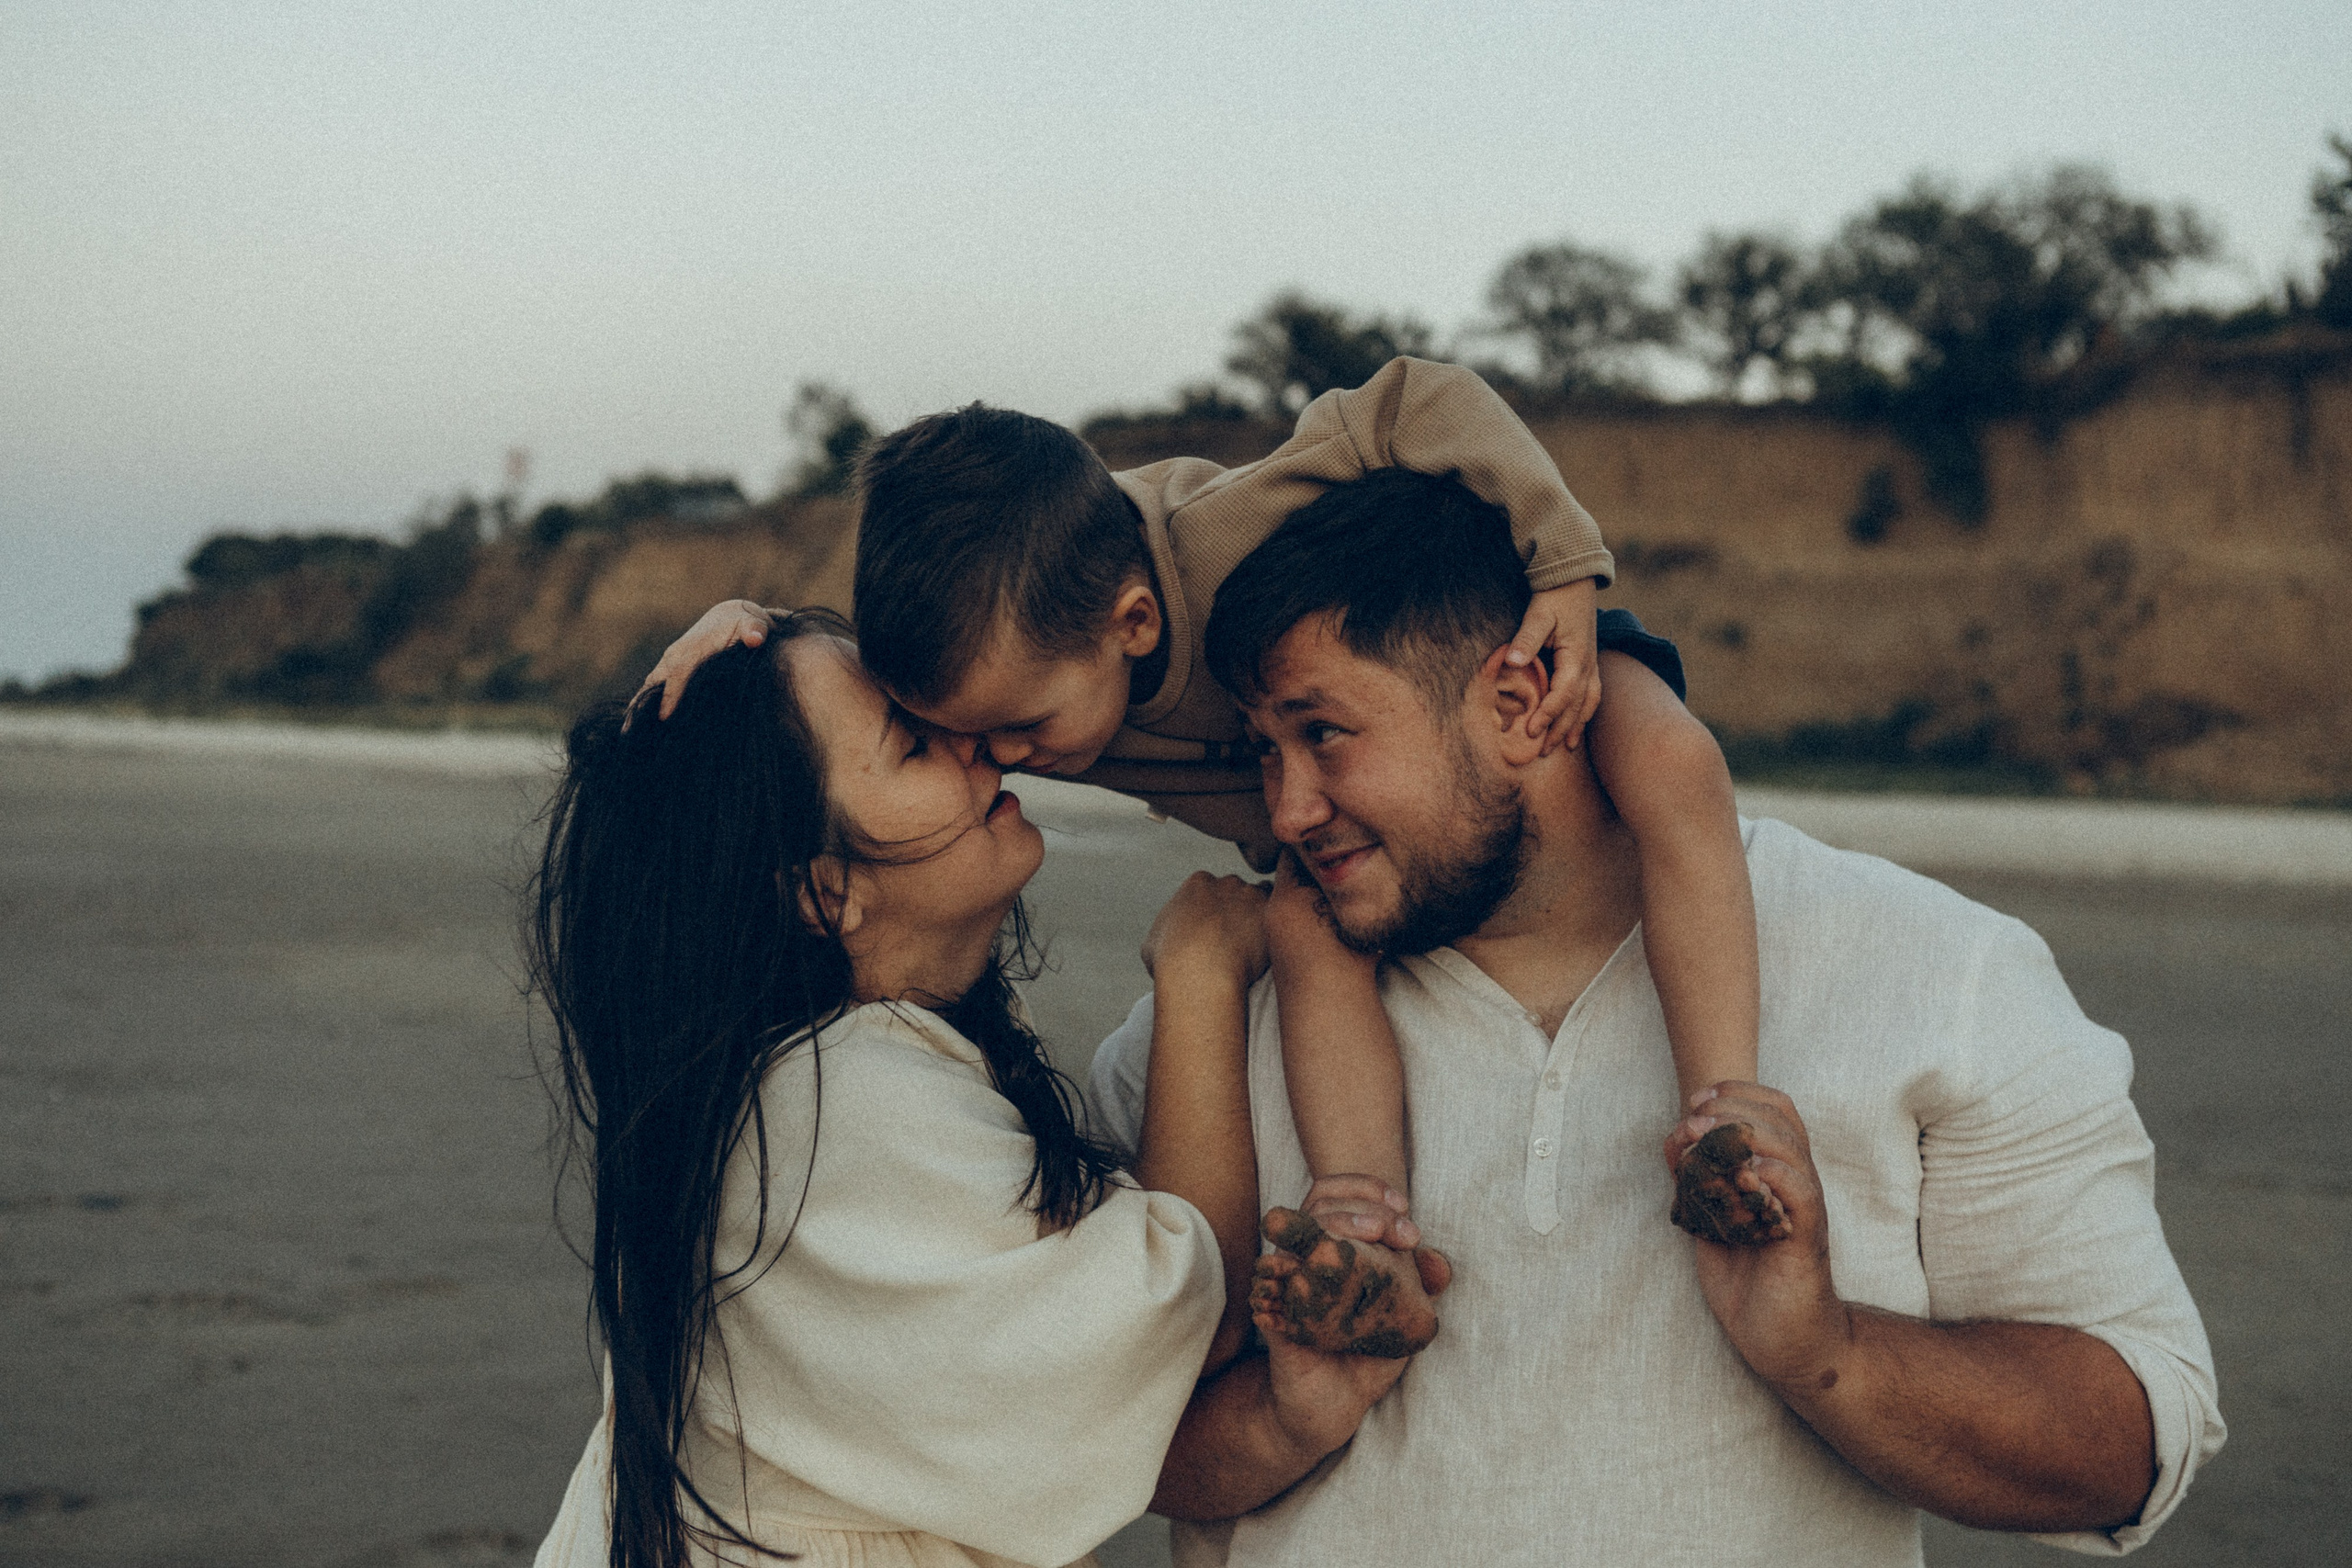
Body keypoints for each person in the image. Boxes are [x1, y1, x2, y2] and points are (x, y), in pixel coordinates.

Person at [1086, 468, 2224, 1564]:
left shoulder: (1936, 970)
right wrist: (1285, 1420)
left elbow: (2132, 1442)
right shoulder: (1199, 1038)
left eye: (1323, 734)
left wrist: (1828, 1356)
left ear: (1522, 701)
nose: (1285, 809)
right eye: (1260, 753)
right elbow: (1100, 1443)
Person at [639, 358, 1784, 1279]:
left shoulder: (1221, 534)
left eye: (1015, 732)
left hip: (1482, 644)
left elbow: (1418, 399)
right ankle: (1363, 1207)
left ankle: (1725, 1106)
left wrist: (1564, 565)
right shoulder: (1007, 675)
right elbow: (862, 711)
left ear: (1136, 624)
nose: (991, 762)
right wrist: (744, 620)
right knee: (1306, 930)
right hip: (1326, 821)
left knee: (1675, 764)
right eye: (964, 737)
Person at [522, 610, 1380, 1568]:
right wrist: (1199, 977)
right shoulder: (841, 1106)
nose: (978, 744)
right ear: (819, 894)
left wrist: (765, 613)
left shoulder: (779, 1076)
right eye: (914, 743)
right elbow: (1184, 1318)